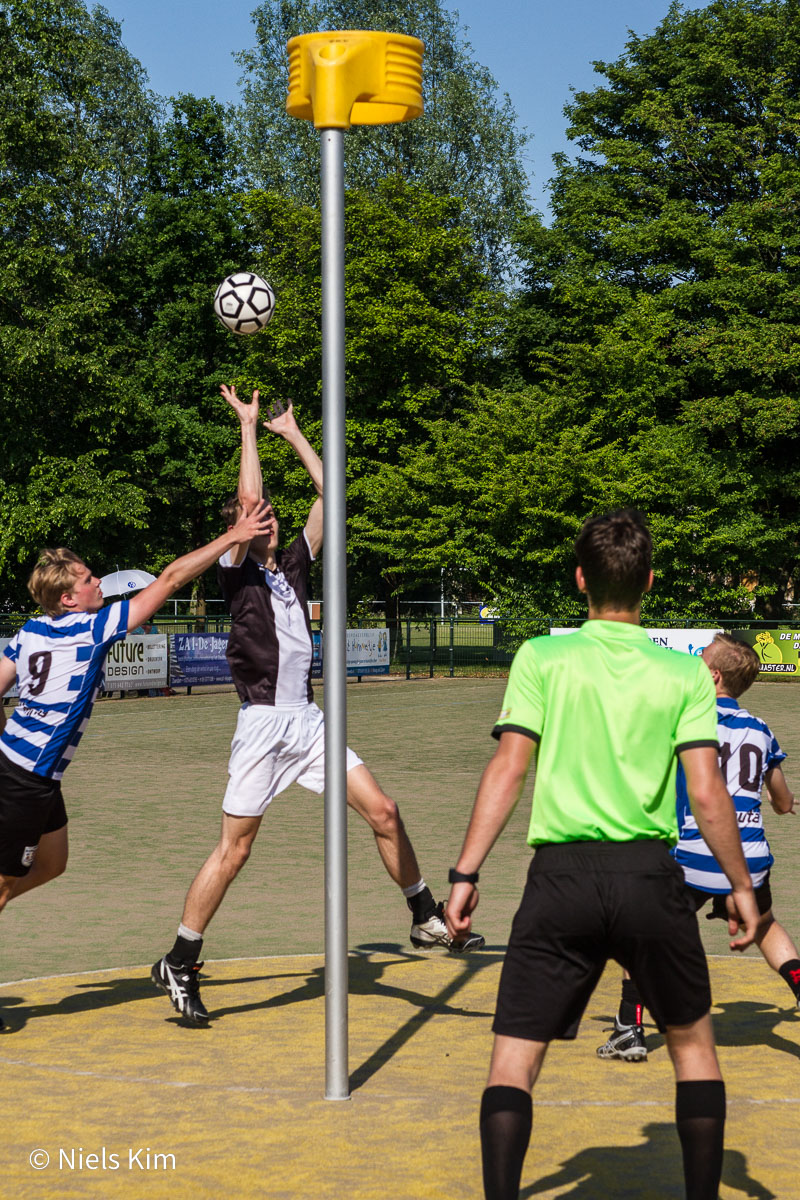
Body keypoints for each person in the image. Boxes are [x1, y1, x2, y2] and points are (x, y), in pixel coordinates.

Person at [444, 508, 760, 1200]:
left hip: (559, 878)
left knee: (512, 1065)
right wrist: (742, 886)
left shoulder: (541, 657)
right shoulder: (683, 676)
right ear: (648, 581)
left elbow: (508, 768)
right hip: (649, 876)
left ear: (581, 578)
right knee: (693, 1050)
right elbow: (706, 791)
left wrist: (465, 873)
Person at [151, 386, 483, 1025]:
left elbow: (335, 498)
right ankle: (181, 958)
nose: (268, 517)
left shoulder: (295, 563)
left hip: (308, 722)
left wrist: (295, 435)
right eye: (259, 515)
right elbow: (247, 506)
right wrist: (247, 428)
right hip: (262, 727)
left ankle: (425, 918)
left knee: (384, 811)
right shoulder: (236, 566)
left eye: (272, 514)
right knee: (235, 851)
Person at [0, 504, 271, 1028]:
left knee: (52, 864)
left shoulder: (32, 629)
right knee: (5, 887)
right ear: (68, 598)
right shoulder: (93, 628)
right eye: (86, 577)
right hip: (24, 780)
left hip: (32, 774)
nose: (97, 579)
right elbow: (171, 578)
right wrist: (234, 535)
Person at [599, 632, 800, 1063]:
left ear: (711, 676)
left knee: (640, 936)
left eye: (699, 660)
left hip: (692, 855)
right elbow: (782, 799)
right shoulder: (760, 728)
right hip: (749, 858)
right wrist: (780, 804)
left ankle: (628, 1028)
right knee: (764, 925)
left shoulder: (682, 720)